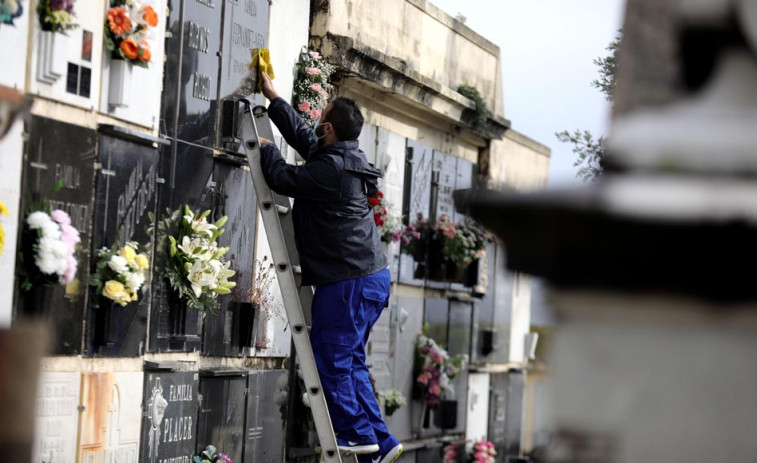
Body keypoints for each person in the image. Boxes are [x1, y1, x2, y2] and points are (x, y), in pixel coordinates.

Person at [258, 71, 403, 463]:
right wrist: (273, 98)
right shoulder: (344, 158)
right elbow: (306, 141)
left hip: (350, 281)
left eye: (320, 117)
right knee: (351, 360)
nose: (316, 124)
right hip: (367, 277)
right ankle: (381, 442)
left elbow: (282, 177)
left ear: (329, 128)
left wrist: (266, 149)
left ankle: (356, 434)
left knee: (332, 358)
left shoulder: (332, 170)